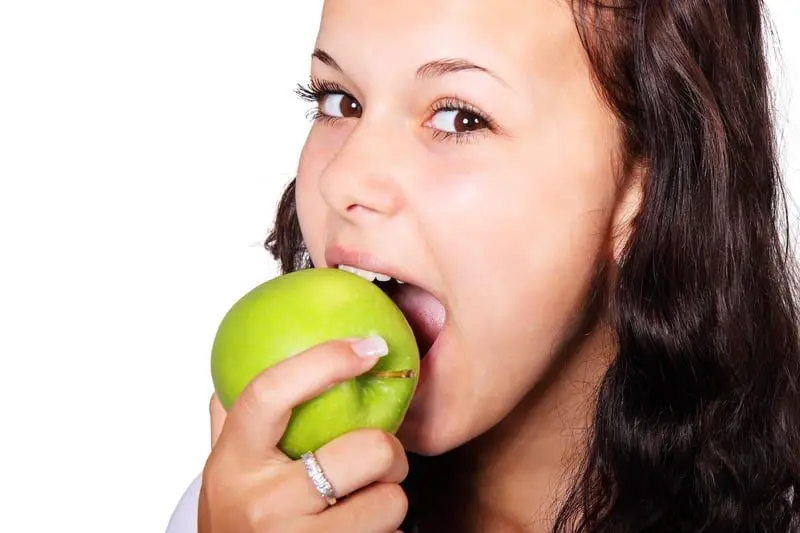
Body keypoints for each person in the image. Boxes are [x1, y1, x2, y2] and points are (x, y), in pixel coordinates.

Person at [167, 1, 800, 531]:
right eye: (340, 102)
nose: (343, 179)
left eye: (458, 117)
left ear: (647, 184)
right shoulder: (249, 513)